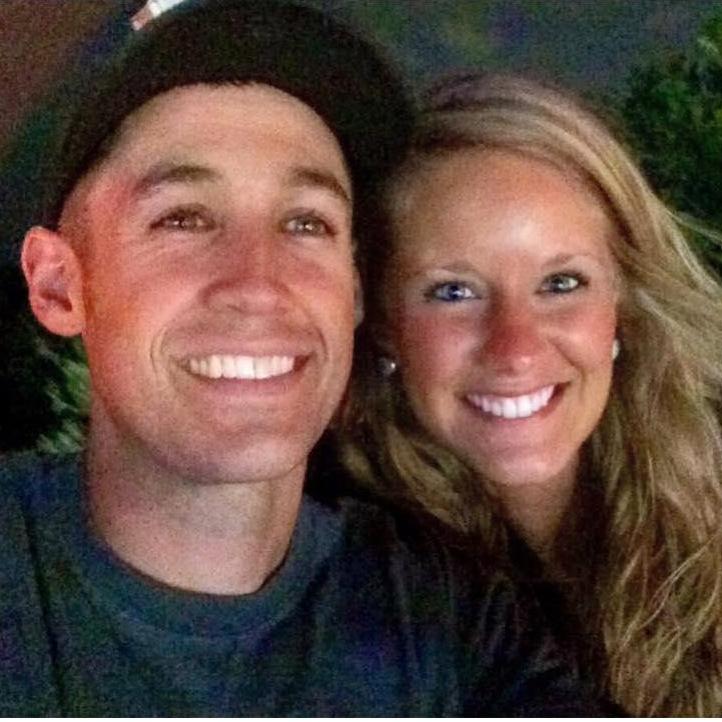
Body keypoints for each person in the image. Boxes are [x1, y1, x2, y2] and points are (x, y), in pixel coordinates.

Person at [0, 3, 607, 716]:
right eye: (184, 218)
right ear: (58, 284)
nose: (258, 283)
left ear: (353, 291)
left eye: (305, 223)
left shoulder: (450, 625)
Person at [342, 71, 722, 716]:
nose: (515, 349)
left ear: (621, 303)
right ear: (381, 324)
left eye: (562, 283)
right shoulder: (360, 592)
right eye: (453, 292)